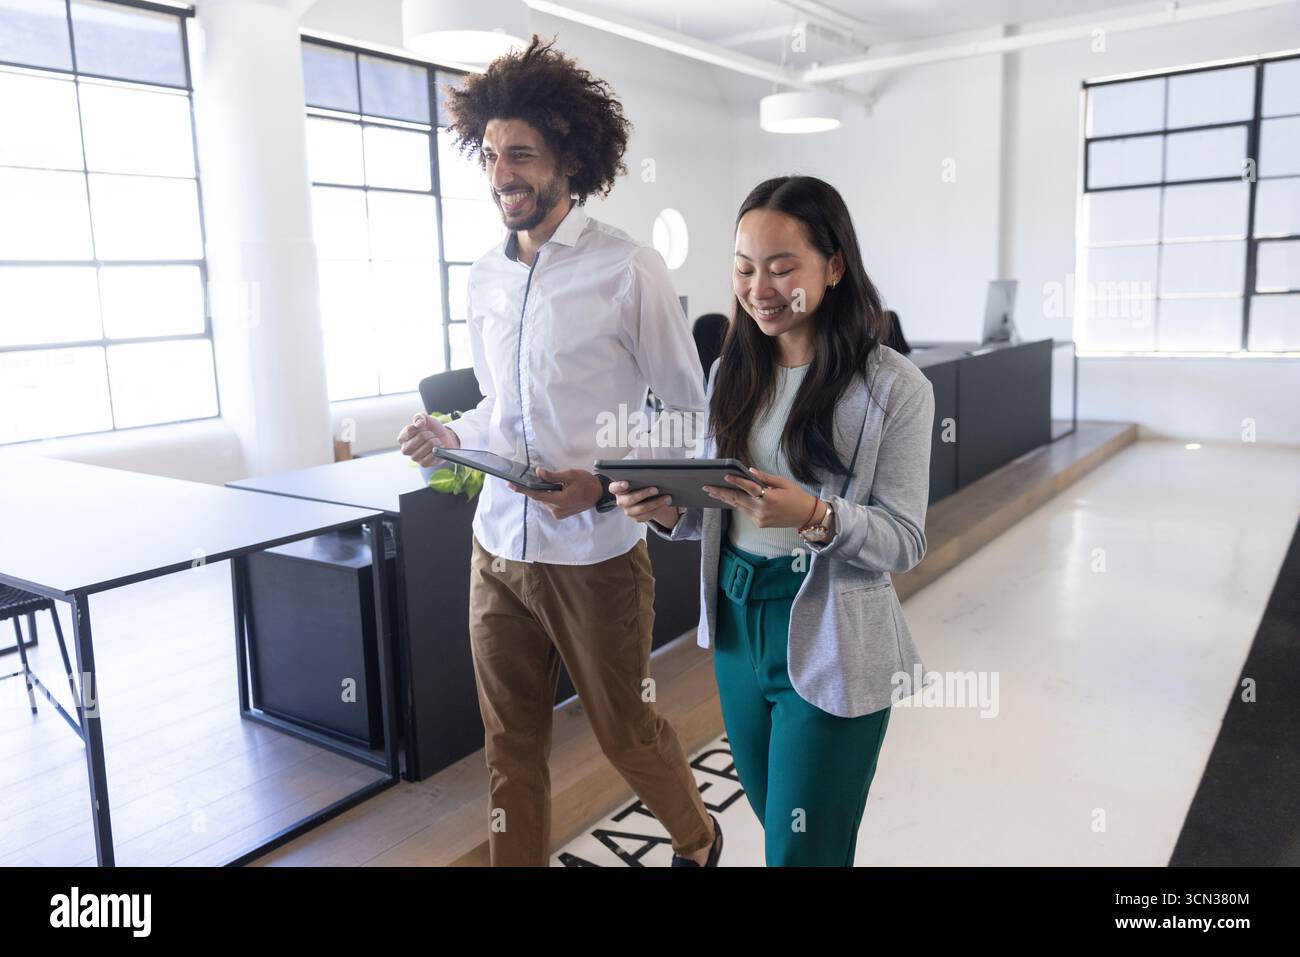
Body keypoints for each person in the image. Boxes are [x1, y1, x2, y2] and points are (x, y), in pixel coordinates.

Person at [396, 36, 722, 867]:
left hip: (596, 556)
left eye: (524, 155)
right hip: (496, 544)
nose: (505, 172)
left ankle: (699, 836)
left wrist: (606, 480)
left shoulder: (627, 269)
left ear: (567, 160)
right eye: (494, 154)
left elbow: (688, 416)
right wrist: (451, 436)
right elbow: (499, 410)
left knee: (624, 732)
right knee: (509, 749)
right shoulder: (483, 278)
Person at [611, 175, 934, 866]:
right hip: (736, 623)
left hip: (829, 629)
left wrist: (816, 517)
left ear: (835, 265)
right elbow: (722, 504)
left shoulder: (895, 387)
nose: (759, 287)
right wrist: (669, 508)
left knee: (799, 850)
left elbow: (905, 540)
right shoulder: (731, 369)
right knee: (774, 822)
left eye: (783, 266)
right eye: (744, 266)